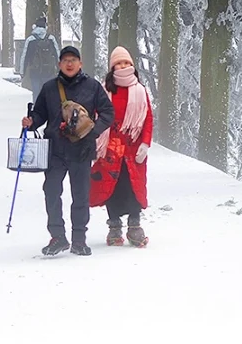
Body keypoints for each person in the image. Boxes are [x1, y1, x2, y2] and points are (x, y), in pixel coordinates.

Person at [21, 45, 114, 258]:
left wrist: (93, 132)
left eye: (73, 60)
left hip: (82, 150)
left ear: (80, 63)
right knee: (51, 192)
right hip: (55, 149)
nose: (69, 64)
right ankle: (57, 237)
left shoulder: (93, 87)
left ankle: (79, 239)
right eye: (65, 60)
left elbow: (108, 112)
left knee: (80, 195)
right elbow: (39, 114)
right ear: (59, 64)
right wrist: (31, 122)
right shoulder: (49, 88)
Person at [90, 46, 153, 248]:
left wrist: (145, 142)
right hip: (109, 146)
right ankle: (114, 226)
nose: (123, 66)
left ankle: (135, 225)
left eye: (126, 63)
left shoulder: (141, 91)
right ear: (112, 67)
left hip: (133, 147)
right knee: (111, 185)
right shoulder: (104, 90)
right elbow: (95, 114)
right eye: (119, 63)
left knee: (134, 185)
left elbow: (148, 119)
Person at [18, 15, 59, 100]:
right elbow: (57, 54)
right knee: (48, 93)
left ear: (35, 26)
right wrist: (60, 70)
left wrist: (22, 72)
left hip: (35, 71)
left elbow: (24, 56)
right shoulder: (51, 38)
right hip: (49, 71)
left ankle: (37, 110)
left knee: (36, 93)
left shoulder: (30, 39)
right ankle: (48, 111)